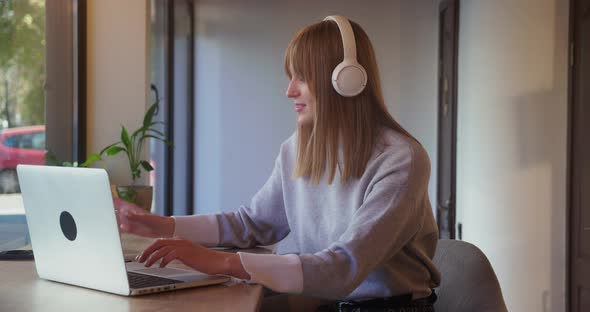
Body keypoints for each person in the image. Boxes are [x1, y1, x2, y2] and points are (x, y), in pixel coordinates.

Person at [114, 15, 440, 312]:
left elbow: (345, 266)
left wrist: (221, 262)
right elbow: (254, 223)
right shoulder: (297, 148)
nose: (289, 91)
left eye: (302, 77)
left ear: (345, 80)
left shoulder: (401, 159)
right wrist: (164, 226)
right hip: (328, 303)